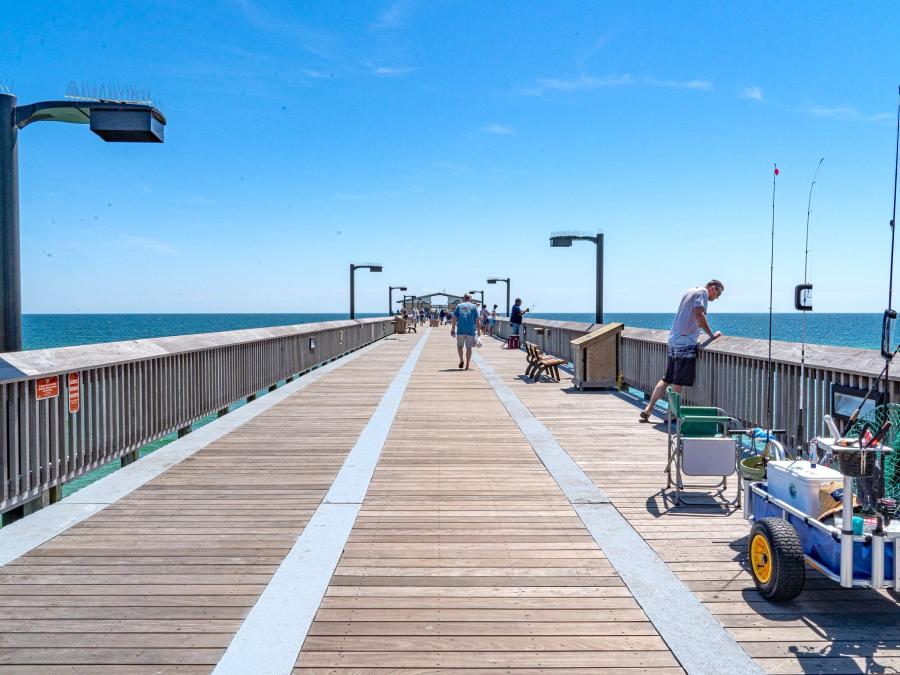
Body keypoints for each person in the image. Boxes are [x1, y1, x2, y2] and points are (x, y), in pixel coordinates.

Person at [639, 280, 725, 422]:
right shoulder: (702, 293)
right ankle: (671, 413)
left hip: (674, 339)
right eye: (719, 293)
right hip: (685, 341)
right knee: (678, 381)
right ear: (713, 288)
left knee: (667, 378)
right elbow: (699, 314)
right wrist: (711, 335)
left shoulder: (690, 291)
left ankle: (648, 408)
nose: (717, 298)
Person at [451, 293, 481, 370]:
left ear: (464, 298)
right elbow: (477, 320)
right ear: (470, 299)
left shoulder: (459, 306)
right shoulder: (474, 307)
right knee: (469, 348)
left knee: (460, 346)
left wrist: (453, 328)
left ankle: (461, 360)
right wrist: (478, 331)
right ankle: (467, 364)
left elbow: (454, 318)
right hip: (470, 330)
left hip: (460, 330)